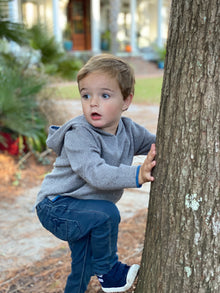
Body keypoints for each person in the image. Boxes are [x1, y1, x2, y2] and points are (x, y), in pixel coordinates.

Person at [35, 54, 156, 293]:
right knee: (107, 214)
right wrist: (137, 174)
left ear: (126, 100)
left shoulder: (129, 130)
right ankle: (109, 271)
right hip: (56, 207)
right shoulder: (79, 134)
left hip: (84, 211)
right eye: (86, 95)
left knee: (81, 266)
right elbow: (96, 173)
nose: (93, 103)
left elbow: (156, 144)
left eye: (105, 95)